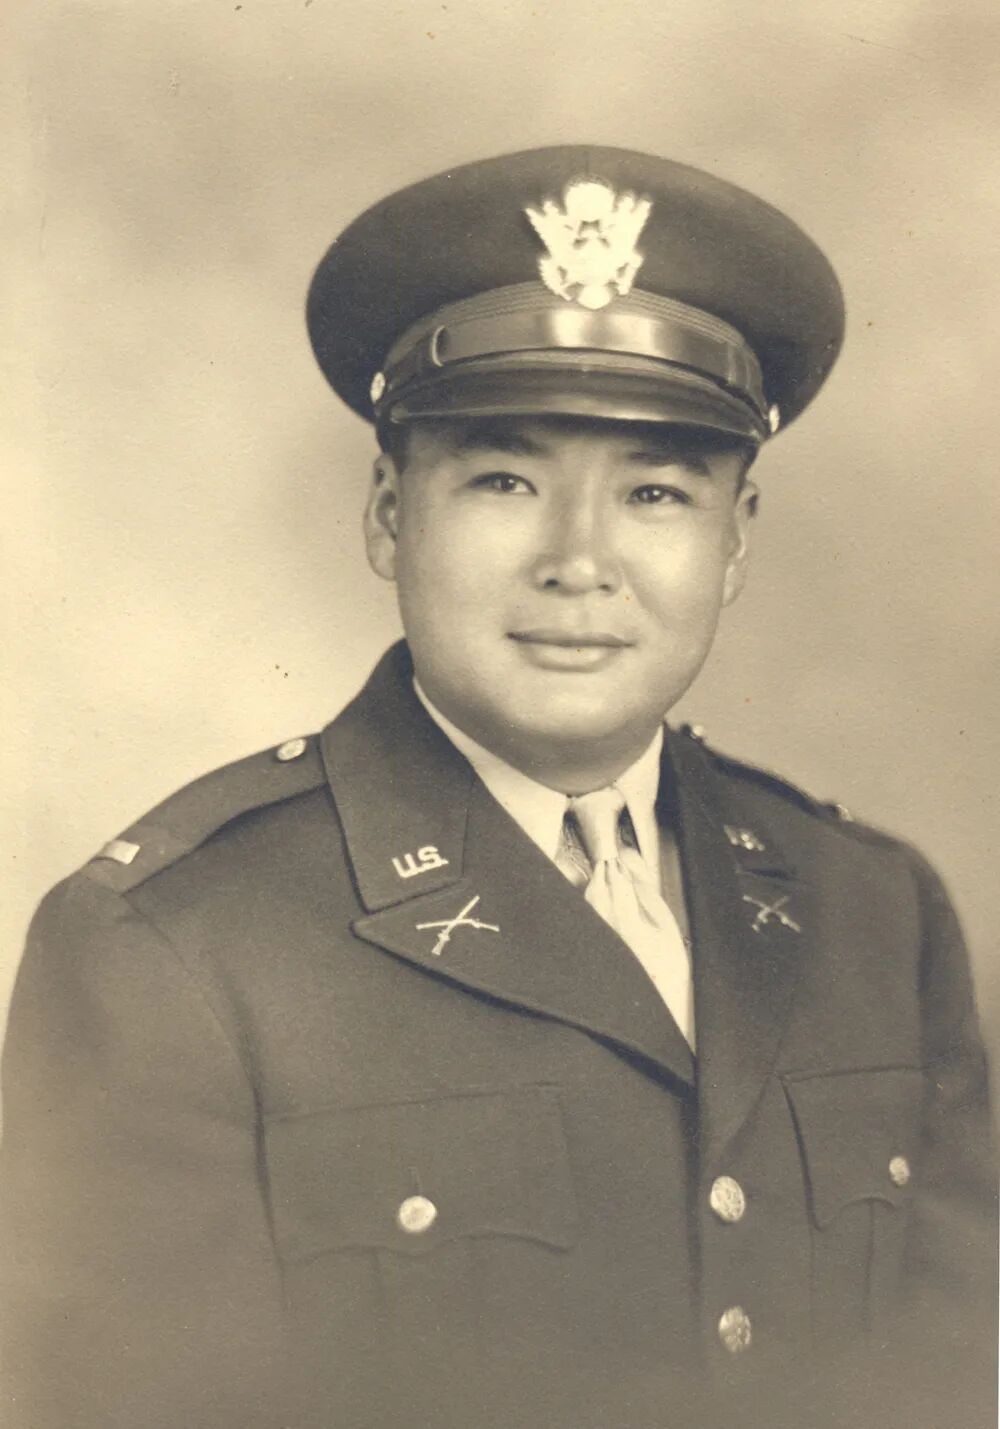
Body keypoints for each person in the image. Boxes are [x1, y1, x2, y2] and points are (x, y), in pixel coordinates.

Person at [1, 146, 995, 1429]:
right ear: (387, 513)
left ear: (736, 541)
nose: (579, 561)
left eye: (654, 491)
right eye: (504, 480)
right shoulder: (173, 948)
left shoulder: (877, 911)